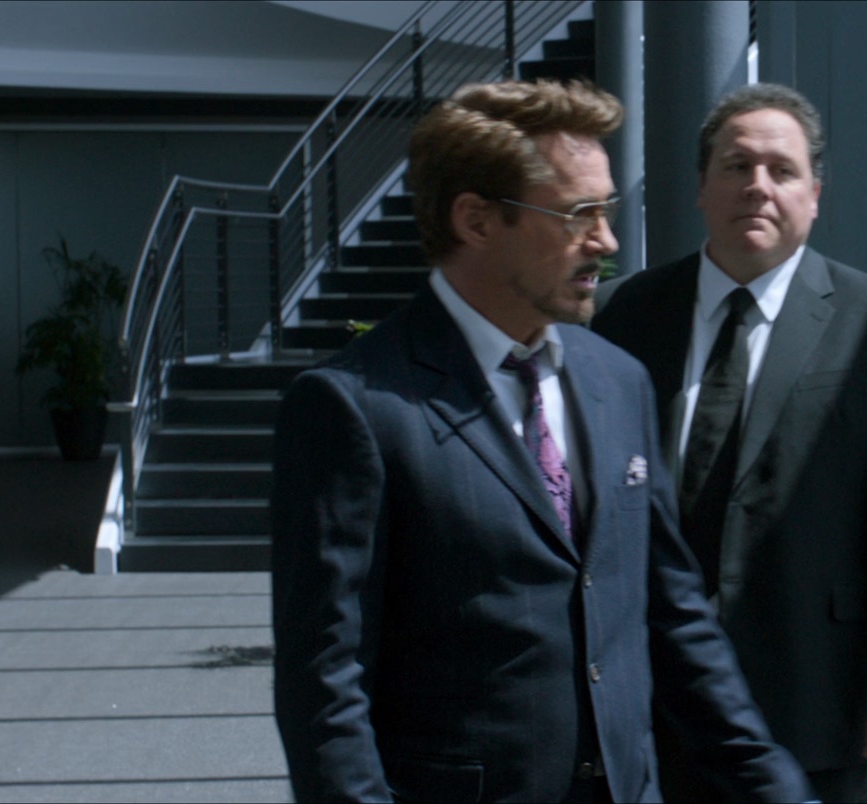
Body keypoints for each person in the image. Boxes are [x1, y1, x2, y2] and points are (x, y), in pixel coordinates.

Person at [269, 80, 810, 804]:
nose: (606, 242)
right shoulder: (354, 406)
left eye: (607, 211)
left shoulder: (617, 379)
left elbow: (672, 614)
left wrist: (773, 786)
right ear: (476, 220)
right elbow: (325, 684)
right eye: (579, 214)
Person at [591, 83, 867, 803]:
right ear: (702, 186)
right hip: (644, 692)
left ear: (814, 196)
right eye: (737, 166)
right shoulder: (622, 312)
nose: (758, 186)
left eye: (782, 170)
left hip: (814, 689)